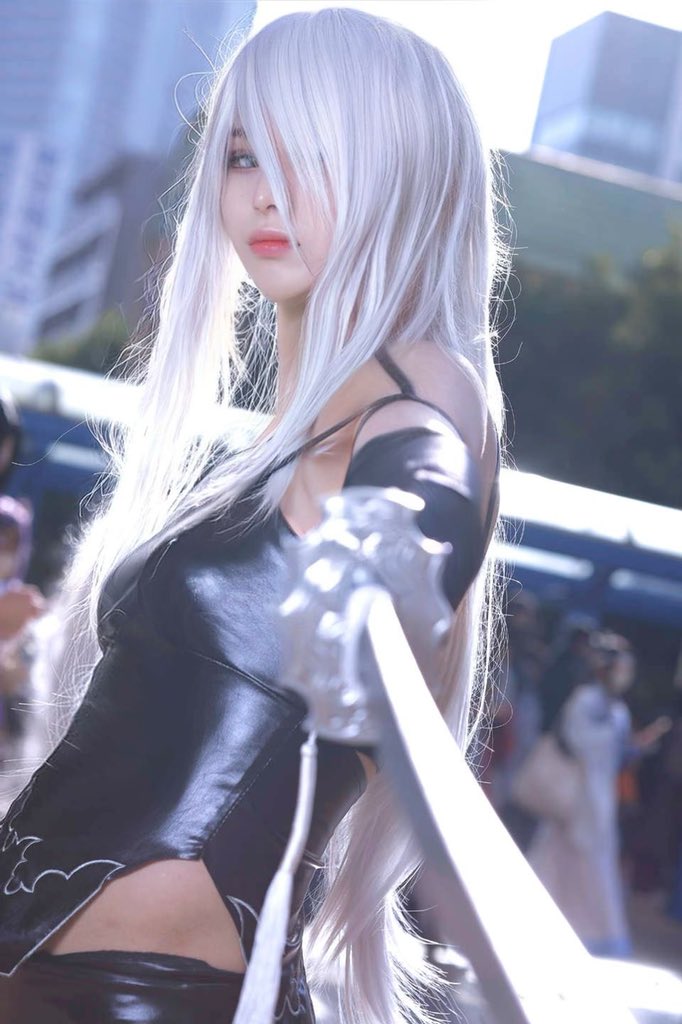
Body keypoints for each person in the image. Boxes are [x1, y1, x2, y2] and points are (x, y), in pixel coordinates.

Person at [0, 8, 508, 1023]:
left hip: (138, 989)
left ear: (404, 173)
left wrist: (393, 545)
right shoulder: (280, 441)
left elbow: (425, 485)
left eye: (314, 155)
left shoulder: (422, 387)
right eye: (243, 155)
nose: (266, 193)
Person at [527, 631, 671, 958]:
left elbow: (615, 755)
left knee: (591, 866)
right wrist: (614, 741)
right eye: (621, 668)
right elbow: (581, 742)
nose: (625, 675)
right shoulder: (586, 700)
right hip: (575, 796)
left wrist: (637, 745)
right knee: (558, 861)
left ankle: (588, 933)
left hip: (599, 798)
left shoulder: (615, 708)